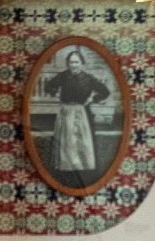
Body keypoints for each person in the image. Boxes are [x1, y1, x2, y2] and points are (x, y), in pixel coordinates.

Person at [47, 47, 111, 186]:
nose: (73, 65)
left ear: (81, 63)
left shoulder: (88, 78)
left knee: (81, 140)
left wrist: (93, 99)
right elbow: (49, 86)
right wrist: (55, 93)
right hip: (65, 111)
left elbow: (105, 91)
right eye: (71, 62)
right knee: (66, 140)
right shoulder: (63, 76)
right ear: (68, 63)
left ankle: (82, 168)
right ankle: (67, 168)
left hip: (82, 112)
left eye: (76, 62)